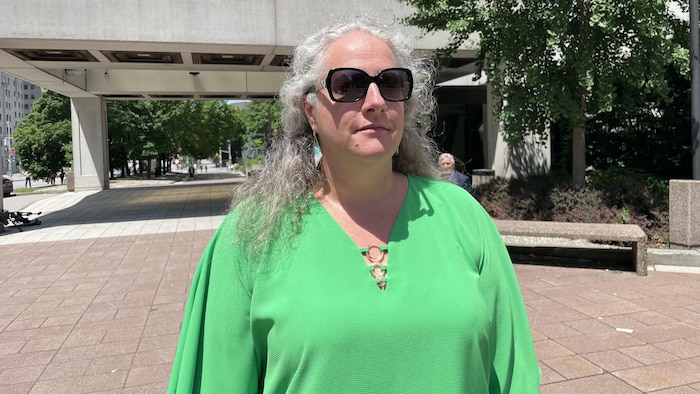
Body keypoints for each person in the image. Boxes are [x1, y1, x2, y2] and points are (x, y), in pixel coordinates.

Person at [168, 17, 540, 393]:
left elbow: (513, 376)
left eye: (391, 83)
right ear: (311, 110)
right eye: (348, 84)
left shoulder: (463, 215)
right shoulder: (253, 233)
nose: (376, 102)